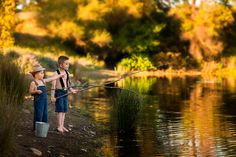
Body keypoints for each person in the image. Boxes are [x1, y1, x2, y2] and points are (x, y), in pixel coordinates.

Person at [29, 64, 65, 130]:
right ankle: (36, 128)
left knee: (45, 113)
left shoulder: (43, 81)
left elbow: (51, 78)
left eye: (43, 73)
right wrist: (36, 91)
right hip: (38, 101)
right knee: (39, 113)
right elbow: (31, 92)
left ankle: (43, 128)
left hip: (45, 100)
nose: (43, 75)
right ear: (36, 74)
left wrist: (59, 75)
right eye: (41, 73)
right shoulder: (33, 83)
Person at [51, 56, 78, 133]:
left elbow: (68, 83)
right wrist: (52, 97)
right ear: (61, 65)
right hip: (59, 93)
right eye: (66, 64)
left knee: (64, 110)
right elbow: (53, 86)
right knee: (60, 110)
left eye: (68, 64)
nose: (68, 65)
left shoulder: (67, 73)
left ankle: (62, 125)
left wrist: (72, 90)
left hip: (65, 93)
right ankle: (59, 126)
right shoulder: (56, 73)